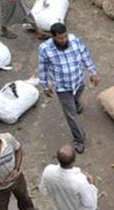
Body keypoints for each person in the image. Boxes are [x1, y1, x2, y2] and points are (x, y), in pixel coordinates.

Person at [38, 23, 100, 154]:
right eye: (60, 38)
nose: (64, 40)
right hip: (62, 87)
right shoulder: (45, 49)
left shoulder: (74, 40)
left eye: (65, 36)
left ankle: (76, 102)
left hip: (78, 80)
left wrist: (93, 72)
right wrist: (45, 86)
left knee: (77, 96)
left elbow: (85, 55)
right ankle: (79, 139)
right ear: (53, 37)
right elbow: (42, 68)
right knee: (71, 115)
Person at [40, 144, 102, 210]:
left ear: (57, 158)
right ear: (74, 160)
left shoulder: (48, 171)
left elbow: (43, 191)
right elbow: (90, 203)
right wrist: (92, 184)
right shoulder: (80, 181)